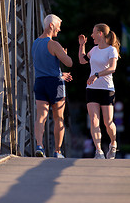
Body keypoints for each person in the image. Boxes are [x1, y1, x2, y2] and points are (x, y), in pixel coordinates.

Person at [32, 14, 73, 158]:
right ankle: (57, 151)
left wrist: (60, 74)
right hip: (55, 85)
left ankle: (39, 146)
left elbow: (44, 67)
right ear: (51, 25)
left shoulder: (35, 43)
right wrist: (63, 54)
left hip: (40, 83)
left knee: (41, 116)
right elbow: (69, 63)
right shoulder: (54, 44)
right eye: (58, 26)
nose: (59, 30)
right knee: (58, 118)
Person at [78, 23, 120, 159]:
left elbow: (112, 68)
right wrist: (81, 45)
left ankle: (113, 143)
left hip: (107, 89)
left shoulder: (111, 50)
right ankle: (99, 151)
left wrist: (96, 75)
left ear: (100, 33)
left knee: (108, 122)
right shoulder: (94, 49)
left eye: (93, 32)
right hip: (92, 89)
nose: (91, 35)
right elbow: (82, 60)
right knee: (94, 120)